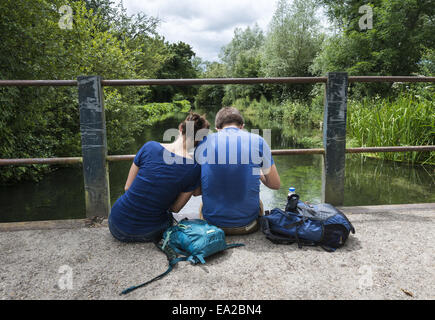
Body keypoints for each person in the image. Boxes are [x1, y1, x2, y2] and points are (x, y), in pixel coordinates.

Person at [108, 112, 210, 242]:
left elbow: (128, 187)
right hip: (149, 231)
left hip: (116, 224)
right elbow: (175, 208)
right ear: (200, 140)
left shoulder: (149, 147)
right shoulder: (193, 168)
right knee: (168, 217)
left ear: (180, 128)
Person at [196, 106, 280, 235]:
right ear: (242, 126)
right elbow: (274, 184)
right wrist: (257, 172)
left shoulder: (203, 142)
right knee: (259, 202)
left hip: (212, 225)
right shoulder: (258, 141)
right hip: (248, 225)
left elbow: (196, 191)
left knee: (202, 205)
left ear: (217, 128)